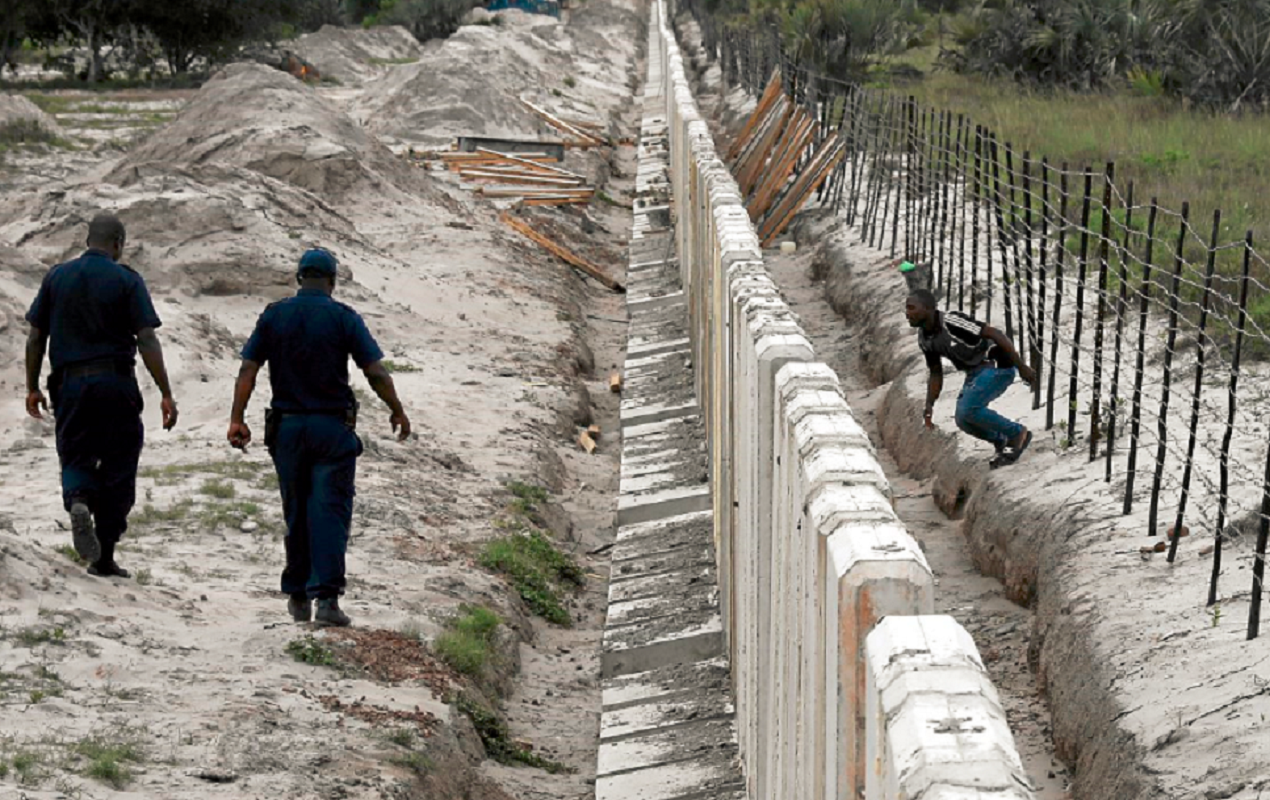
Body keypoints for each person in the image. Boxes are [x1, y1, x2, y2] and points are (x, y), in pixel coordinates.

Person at [227, 248, 409, 627]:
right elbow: (374, 370)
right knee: (329, 511)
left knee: (296, 512)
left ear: (298, 278)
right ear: (332, 281)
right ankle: (325, 600)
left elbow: (248, 367)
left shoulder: (274, 315)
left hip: (287, 429)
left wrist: (236, 418)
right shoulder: (343, 317)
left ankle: (296, 594)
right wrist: (396, 408)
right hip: (330, 429)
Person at [24, 213, 179, 578]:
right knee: (119, 464)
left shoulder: (56, 277)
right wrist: (165, 392)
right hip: (115, 383)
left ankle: (78, 499)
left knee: (75, 451)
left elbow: (35, 336)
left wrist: (31, 387)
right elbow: (146, 338)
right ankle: (105, 555)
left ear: (87, 240)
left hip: (70, 384)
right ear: (118, 244)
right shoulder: (127, 279)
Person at [905, 289, 1035, 468]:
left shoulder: (951, 322)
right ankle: (1001, 440)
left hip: (996, 366)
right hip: (975, 373)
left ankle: (1017, 434)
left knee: (968, 409)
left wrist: (1021, 366)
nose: (907, 313)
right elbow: (935, 372)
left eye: (911, 308)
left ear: (928, 308)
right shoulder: (924, 338)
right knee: (962, 420)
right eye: (906, 308)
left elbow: (994, 333)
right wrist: (929, 404)